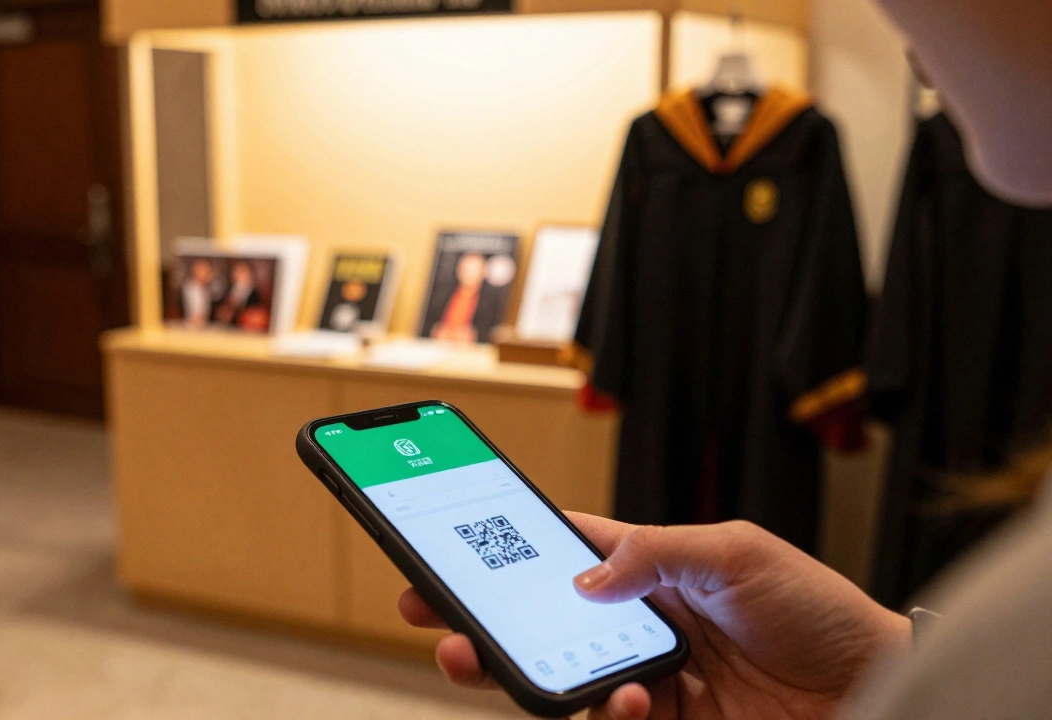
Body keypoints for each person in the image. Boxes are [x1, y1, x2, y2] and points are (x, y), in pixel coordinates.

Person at [399, 2, 1052, 718]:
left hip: (762, 398)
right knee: (646, 565)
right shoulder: (653, 136)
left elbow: (826, 272)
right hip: (668, 385)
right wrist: (887, 663)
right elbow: (620, 257)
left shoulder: (806, 137)